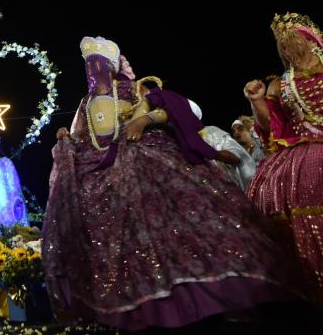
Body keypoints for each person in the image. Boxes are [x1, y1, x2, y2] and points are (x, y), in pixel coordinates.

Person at [42, 36, 293, 330]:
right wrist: (66, 137)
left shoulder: (134, 88)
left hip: (143, 155)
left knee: (178, 216)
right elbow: (84, 134)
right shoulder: (85, 103)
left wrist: (144, 120)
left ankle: (204, 297)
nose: (93, 69)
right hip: (96, 168)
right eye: (89, 65)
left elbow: (165, 109)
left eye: (98, 63)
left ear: (111, 66)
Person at [244, 12, 323, 305]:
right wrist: (256, 101)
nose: (288, 50)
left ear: (311, 41)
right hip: (294, 162)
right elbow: (270, 127)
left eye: (293, 42)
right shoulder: (281, 83)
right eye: (282, 46)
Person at [188, 100, 258, 192]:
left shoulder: (210, 132)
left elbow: (238, 158)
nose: (236, 134)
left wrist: (205, 150)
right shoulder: (169, 141)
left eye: (240, 129)